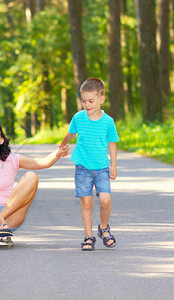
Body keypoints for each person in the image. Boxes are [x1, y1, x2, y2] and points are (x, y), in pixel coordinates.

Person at [57, 78, 119, 251]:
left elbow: (113, 143)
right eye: (83, 101)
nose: (87, 105)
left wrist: (113, 165)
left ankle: (104, 228)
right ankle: (88, 237)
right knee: (87, 203)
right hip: (83, 167)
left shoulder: (108, 121)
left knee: (105, 200)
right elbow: (71, 134)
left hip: (101, 168)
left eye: (91, 101)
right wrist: (62, 145)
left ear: (102, 99)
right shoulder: (79, 117)